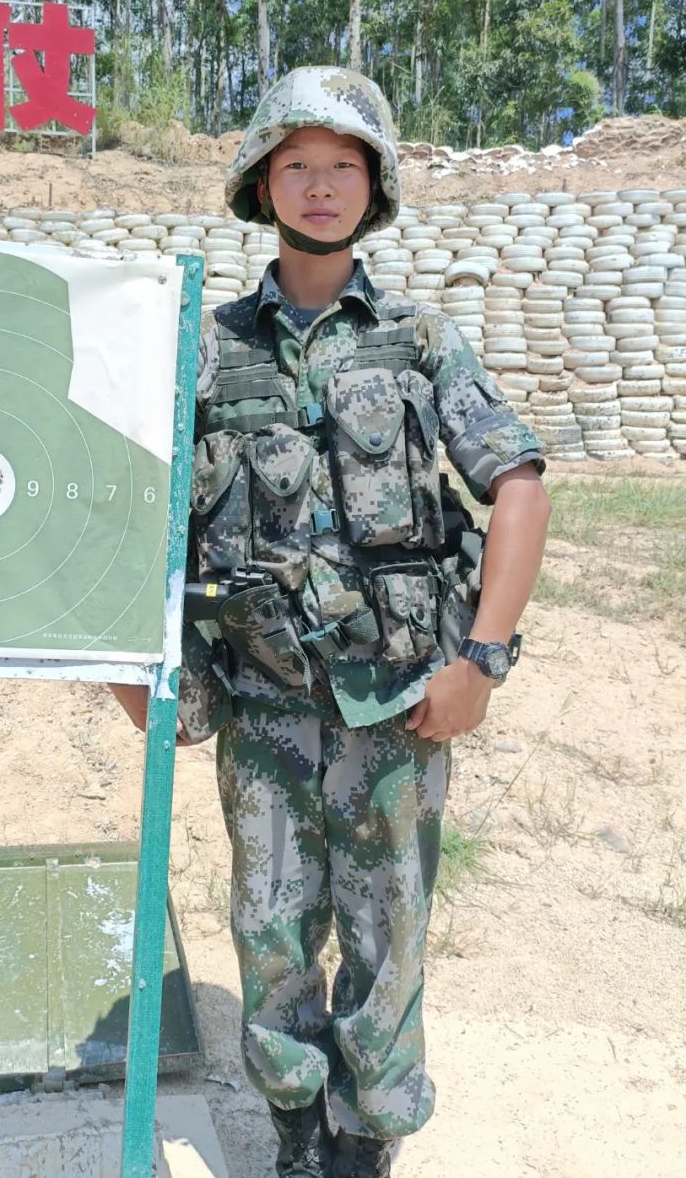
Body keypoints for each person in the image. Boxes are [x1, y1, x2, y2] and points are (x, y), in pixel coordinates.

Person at [112, 66, 551, 1178]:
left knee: (389, 931)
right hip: (261, 706)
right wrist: (132, 660)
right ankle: (298, 1128)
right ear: (263, 182)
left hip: (398, 705)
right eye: (297, 165)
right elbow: (125, 505)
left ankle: (371, 1132)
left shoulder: (417, 338)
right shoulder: (205, 349)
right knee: (267, 929)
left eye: (343, 166)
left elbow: (520, 488)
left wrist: (482, 659)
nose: (319, 186)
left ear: (376, 185)